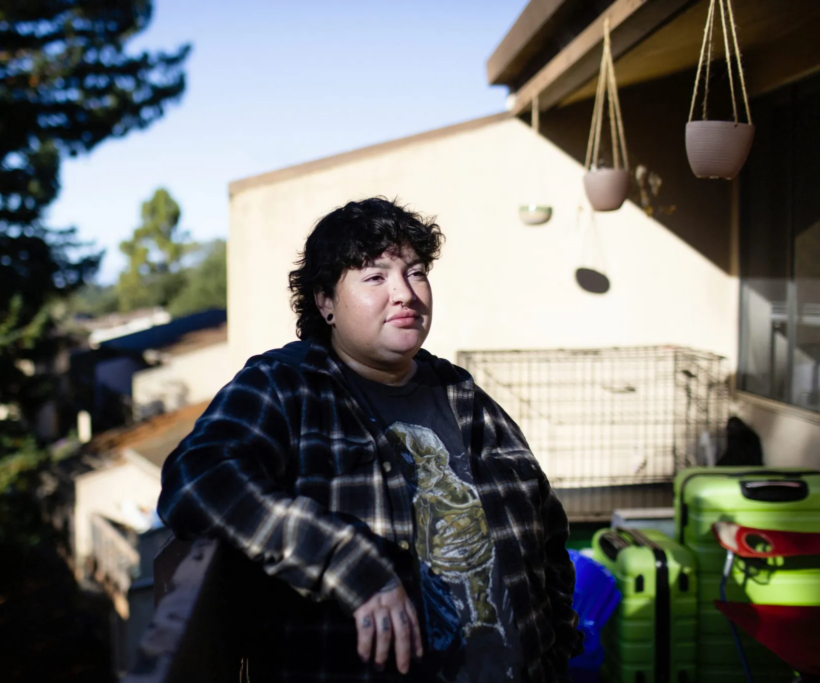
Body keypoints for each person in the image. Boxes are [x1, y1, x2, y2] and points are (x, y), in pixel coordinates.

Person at [158, 198, 582, 682]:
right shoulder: (286, 386)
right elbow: (198, 479)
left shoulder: (462, 395)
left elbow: (545, 527)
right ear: (325, 302)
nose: (405, 293)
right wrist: (345, 560)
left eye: (416, 272)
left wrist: (556, 647)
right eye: (375, 277)